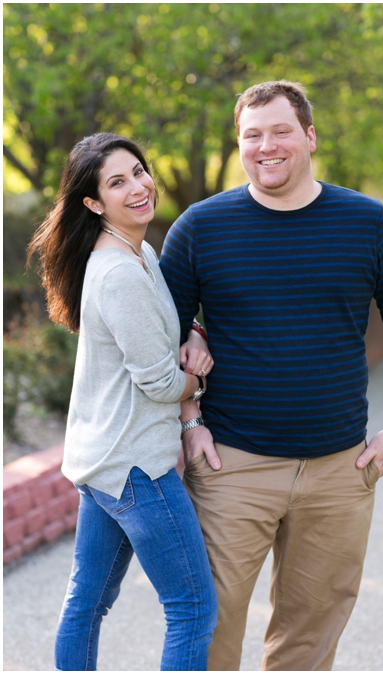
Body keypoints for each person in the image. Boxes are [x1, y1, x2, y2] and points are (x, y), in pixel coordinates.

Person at [159, 80, 383, 670]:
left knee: (310, 638)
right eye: (251, 136)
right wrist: (189, 421)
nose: (266, 147)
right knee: (209, 627)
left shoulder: (369, 222)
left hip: (339, 470)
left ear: (309, 136)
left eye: (280, 131)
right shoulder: (199, 229)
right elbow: (167, 337)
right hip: (231, 465)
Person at [27, 133, 217, 670]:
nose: (138, 186)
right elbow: (159, 382)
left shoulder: (139, 253)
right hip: (136, 469)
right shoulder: (118, 274)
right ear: (93, 203)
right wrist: (196, 382)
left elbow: (167, 333)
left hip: (104, 462)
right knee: (193, 608)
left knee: (87, 603)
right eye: (117, 182)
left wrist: (193, 335)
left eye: (138, 171)